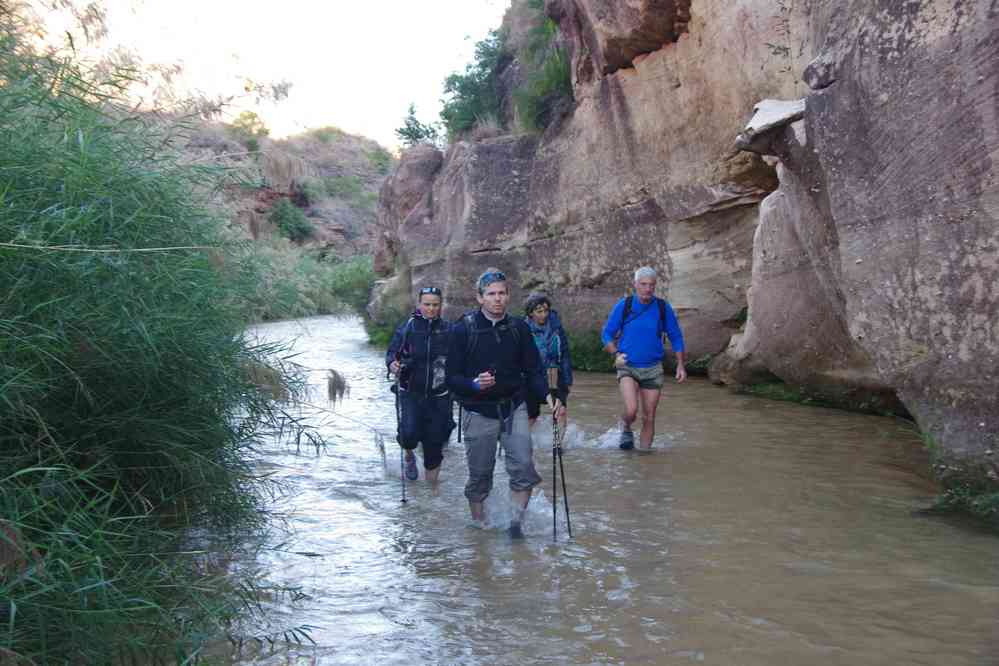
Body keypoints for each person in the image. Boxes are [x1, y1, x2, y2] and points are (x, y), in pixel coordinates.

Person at [446, 268, 565, 538]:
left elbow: (534, 369)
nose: (497, 299)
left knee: (523, 467)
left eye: (501, 293)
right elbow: (451, 377)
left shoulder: (518, 328)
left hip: (514, 407)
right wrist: (473, 384)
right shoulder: (463, 329)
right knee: (479, 476)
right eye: (491, 294)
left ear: (508, 296)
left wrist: (550, 397)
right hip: (478, 411)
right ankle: (480, 527)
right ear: (480, 298)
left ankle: (515, 526)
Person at [601, 266, 687, 451]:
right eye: (643, 284)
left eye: (651, 285)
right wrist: (615, 354)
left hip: (653, 368)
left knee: (649, 416)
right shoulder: (624, 306)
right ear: (635, 284)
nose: (648, 288)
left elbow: (676, 336)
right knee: (632, 410)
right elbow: (607, 334)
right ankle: (625, 426)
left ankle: (644, 459)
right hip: (628, 366)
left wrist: (680, 364)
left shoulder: (663, 308)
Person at [386, 286, 453, 487]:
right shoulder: (408, 328)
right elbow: (391, 354)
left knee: (435, 444)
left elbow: (459, 359)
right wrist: (392, 364)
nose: (431, 309)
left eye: (435, 305)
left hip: (439, 396)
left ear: (441, 305)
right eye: (427, 304)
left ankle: (431, 496)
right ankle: (409, 456)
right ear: (419, 304)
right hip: (409, 392)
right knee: (408, 435)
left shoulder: (449, 330)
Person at [523, 292, 572, 429]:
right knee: (531, 415)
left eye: (546, 310)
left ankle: (559, 444)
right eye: (539, 311)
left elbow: (565, 354)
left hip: (554, 373)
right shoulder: (523, 329)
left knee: (560, 411)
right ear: (530, 313)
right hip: (532, 377)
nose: (543, 314)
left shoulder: (556, 328)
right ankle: (524, 444)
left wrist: (567, 381)